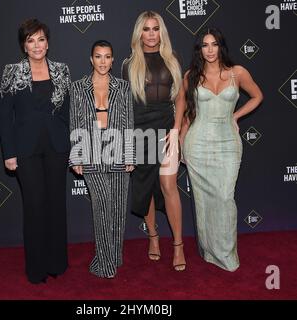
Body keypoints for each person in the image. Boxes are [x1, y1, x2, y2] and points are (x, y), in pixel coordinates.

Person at [182, 27, 263, 271]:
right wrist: (181, 144)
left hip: (228, 142)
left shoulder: (237, 72)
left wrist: (235, 116)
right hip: (197, 143)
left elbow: (257, 96)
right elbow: (188, 113)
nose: (209, 50)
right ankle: (209, 251)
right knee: (204, 199)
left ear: (221, 46)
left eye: (214, 44)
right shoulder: (191, 76)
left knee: (225, 197)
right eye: (204, 45)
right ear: (199, 49)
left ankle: (226, 254)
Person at [0, 18, 71, 284]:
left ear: (47, 42)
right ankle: (37, 269)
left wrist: (73, 148)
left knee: (56, 206)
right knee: (35, 206)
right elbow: (5, 117)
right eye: (31, 40)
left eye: (41, 39)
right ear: (24, 45)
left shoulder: (62, 70)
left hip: (58, 147)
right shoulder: (12, 72)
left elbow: (67, 114)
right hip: (25, 150)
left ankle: (57, 263)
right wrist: (9, 153)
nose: (37, 45)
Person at [122, 11, 187, 271]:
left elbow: (181, 98)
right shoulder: (129, 64)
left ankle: (179, 244)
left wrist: (175, 129)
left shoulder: (172, 60)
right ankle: (153, 237)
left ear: (162, 32)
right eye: (146, 29)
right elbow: (125, 105)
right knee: (146, 185)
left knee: (169, 184)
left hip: (165, 128)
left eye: (155, 28)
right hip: (140, 131)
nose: (151, 34)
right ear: (139, 33)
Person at [69, 40, 135, 279]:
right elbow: (75, 122)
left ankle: (114, 256)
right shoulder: (77, 87)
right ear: (91, 59)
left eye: (107, 57)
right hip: (90, 149)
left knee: (117, 208)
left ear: (113, 59)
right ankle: (104, 263)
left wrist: (130, 154)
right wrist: (76, 155)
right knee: (102, 203)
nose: (103, 61)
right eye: (98, 56)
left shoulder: (123, 87)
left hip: (117, 146)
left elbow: (129, 122)